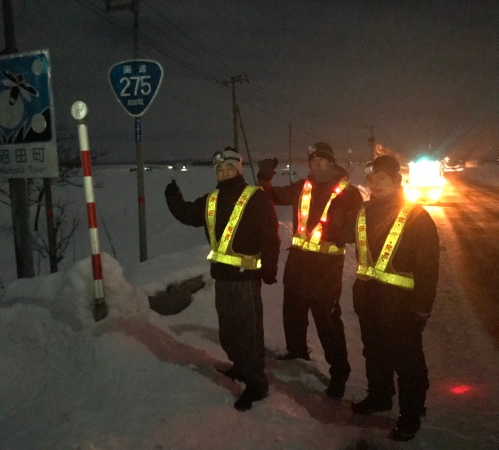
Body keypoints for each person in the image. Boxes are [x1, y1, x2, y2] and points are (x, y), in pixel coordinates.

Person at [164, 147, 280, 411]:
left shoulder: (256, 198)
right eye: (220, 170)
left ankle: (257, 385)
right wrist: (173, 197)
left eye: (229, 169)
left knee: (248, 332)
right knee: (229, 330)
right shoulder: (212, 199)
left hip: (246, 277)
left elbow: (270, 235)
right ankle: (240, 367)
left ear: (238, 170)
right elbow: (187, 214)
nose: (225, 173)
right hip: (222, 277)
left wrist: (270, 269)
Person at [257, 142, 363, 398]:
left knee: (327, 324)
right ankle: (297, 352)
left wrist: (338, 229)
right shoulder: (301, 187)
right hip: (298, 265)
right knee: (292, 314)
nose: (316, 165)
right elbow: (269, 197)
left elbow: (358, 231)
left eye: (321, 160)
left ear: (332, 162)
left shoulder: (349, 193)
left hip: (326, 271)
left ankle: (339, 373)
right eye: (313, 161)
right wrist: (265, 177)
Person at [350, 155, 440, 442]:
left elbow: (428, 267)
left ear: (397, 181)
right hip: (369, 299)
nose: (376, 185)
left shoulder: (417, 216)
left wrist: (422, 308)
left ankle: (411, 415)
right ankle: (379, 397)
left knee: (407, 361)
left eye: (382, 179)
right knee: (374, 353)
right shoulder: (363, 212)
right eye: (371, 179)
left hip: (402, 304)